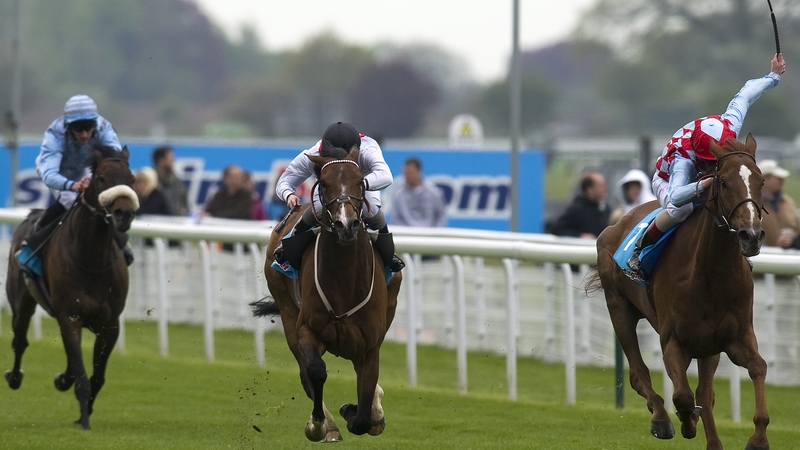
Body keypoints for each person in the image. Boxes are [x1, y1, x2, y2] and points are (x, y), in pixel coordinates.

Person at [627, 53, 786, 274]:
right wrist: (705, 183)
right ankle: (641, 247)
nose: (712, 165)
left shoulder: (729, 123)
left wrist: (773, 75)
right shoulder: (683, 160)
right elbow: (675, 196)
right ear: (700, 155)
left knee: (730, 194)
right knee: (680, 211)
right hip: (667, 181)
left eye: (715, 162)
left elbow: (746, 93)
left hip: (701, 177)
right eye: (708, 161)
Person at [14, 94, 133, 278]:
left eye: (88, 129)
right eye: (79, 130)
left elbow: (114, 160)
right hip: (58, 171)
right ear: (69, 127)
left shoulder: (103, 128)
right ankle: (31, 248)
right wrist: (73, 185)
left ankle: (121, 244)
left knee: (99, 201)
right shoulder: (55, 135)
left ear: (95, 124)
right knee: (70, 201)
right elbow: (49, 174)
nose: (85, 134)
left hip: (87, 167)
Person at [273, 121, 405, 272]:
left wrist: (357, 185)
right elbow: (284, 182)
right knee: (318, 208)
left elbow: (386, 177)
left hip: (359, 183)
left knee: (372, 210)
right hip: (331, 187)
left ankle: (390, 254)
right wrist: (289, 195)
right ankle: (288, 243)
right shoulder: (313, 154)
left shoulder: (368, 148)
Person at [551, 170, 610, 239]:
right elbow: (558, 229)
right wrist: (580, 236)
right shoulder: (576, 209)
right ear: (589, 190)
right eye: (600, 186)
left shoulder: (605, 209)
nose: (605, 188)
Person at [392, 157, 448, 228]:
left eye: (410, 173)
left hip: (430, 236)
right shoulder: (399, 195)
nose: (407, 176)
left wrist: (436, 232)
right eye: (406, 173)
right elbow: (396, 218)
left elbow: (441, 215)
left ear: (418, 172)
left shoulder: (433, 192)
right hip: (407, 236)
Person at [758, 159, 800, 248]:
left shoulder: (788, 202)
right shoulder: (754, 205)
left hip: (789, 255)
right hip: (763, 256)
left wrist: (793, 240)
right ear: (765, 180)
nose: (782, 181)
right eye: (778, 178)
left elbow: (797, 228)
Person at [152, 145, 189, 216]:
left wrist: (184, 210)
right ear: (160, 160)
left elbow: (185, 201)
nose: (173, 160)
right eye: (170, 158)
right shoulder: (147, 181)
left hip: (175, 221)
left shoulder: (177, 182)